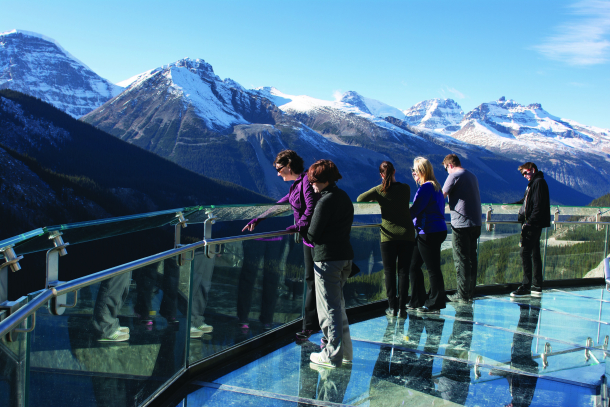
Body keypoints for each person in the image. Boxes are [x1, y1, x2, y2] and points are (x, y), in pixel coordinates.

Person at [243, 150, 321, 339]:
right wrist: (259, 218)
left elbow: (311, 208)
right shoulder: (297, 185)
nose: (278, 173)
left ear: (288, 166)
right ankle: (312, 324)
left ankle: (311, 325)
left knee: (314, 283)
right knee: (311, 282)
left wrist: (297, 226)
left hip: (315, 239)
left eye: (279, 169)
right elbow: (280, 204)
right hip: (308, 240)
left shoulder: (305, 183)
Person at [306, 159, 354, 369]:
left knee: (329, 309)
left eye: (314, 180)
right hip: (345, 258)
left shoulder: (325, 201)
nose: (312, 184)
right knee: (339, 306)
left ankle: (331, 355)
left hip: (327, 260)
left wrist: (300, 231)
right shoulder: (343, 197)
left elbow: (312, 234)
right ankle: (346, 353)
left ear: (324, 180)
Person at [357, 161, 415, 318]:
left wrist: (377, 198)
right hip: (407, 235)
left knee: (389, 272)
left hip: (388, 236)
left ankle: (392, 308)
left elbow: (360, 198)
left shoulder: (379, 190)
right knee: (403, 272)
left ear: (381, 175)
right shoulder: (406, 188)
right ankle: (403, 308)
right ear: (395, 171)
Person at [408, 157, 448, 314]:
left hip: (428, 231)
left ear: (421, 172)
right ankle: (419, 299)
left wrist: (400, 217)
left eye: (414, 172)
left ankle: (435, 303)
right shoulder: (436, 187)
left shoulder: (425, 188)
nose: (413, 175)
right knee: (415, 265)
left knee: (431, 269)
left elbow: (416, 209)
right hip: (437, 229)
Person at [441, 154, 482, 303]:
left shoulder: (454, 176)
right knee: (472, 259)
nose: (447, 171)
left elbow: (441, 196)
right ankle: (470, 292)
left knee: (461, 260)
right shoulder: (472, 175)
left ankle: (462, 294)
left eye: (446, 168)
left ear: (450, 165)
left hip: (461, 224)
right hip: (476, 223)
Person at [509, 162, 550, 297]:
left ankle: (526, 286)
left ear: (532, 169)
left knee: (525, 253)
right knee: (534, 253)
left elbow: (538, 205)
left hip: (533, 224)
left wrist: (529, 223)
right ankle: (536, 285)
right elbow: (528, 200)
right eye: (523, 174)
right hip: (534, 224)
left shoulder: (538, 183)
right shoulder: (536, 182)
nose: (525, 176)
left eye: (526, 172)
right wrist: (514, 204)